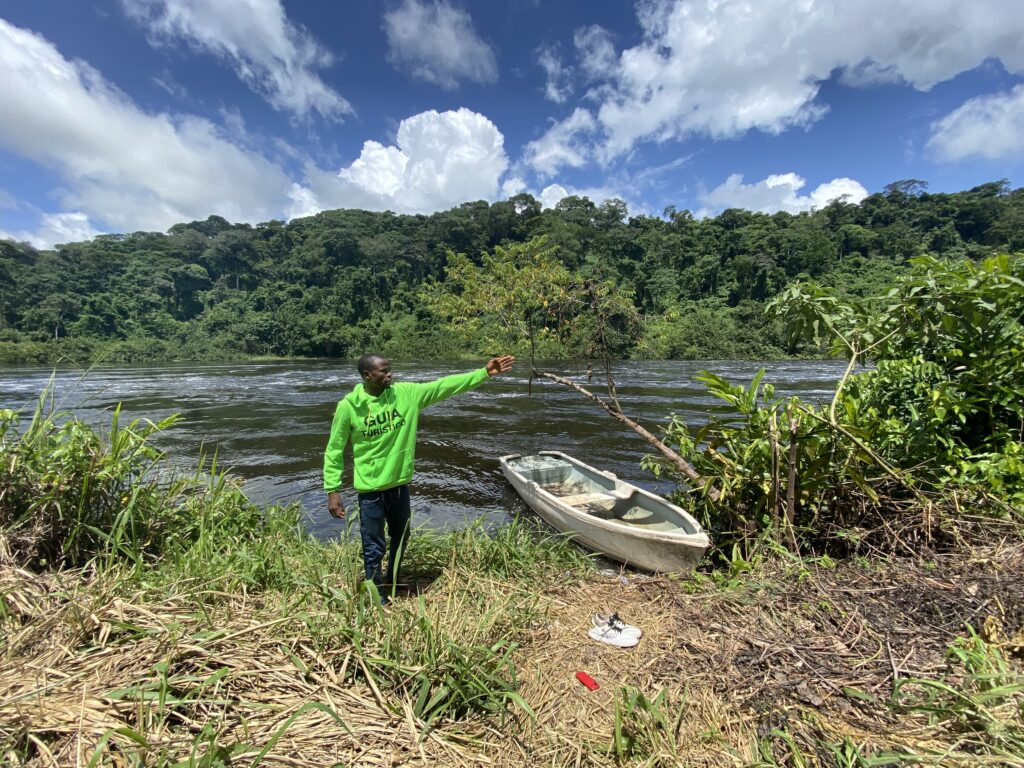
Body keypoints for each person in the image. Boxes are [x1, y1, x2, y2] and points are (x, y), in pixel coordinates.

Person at [324, 354, 515, 603]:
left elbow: (443, 386)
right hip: (371, 492)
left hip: (400, 487)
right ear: (367, 375)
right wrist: (333, 490)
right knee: (373, 548)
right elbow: (334, 449)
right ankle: (376, 597)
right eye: (383, 371)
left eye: (390, 369)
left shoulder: (407, 394)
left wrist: (483, 373)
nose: (389, 374)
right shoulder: (349, 406)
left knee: (401, 537)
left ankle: (391, 582)